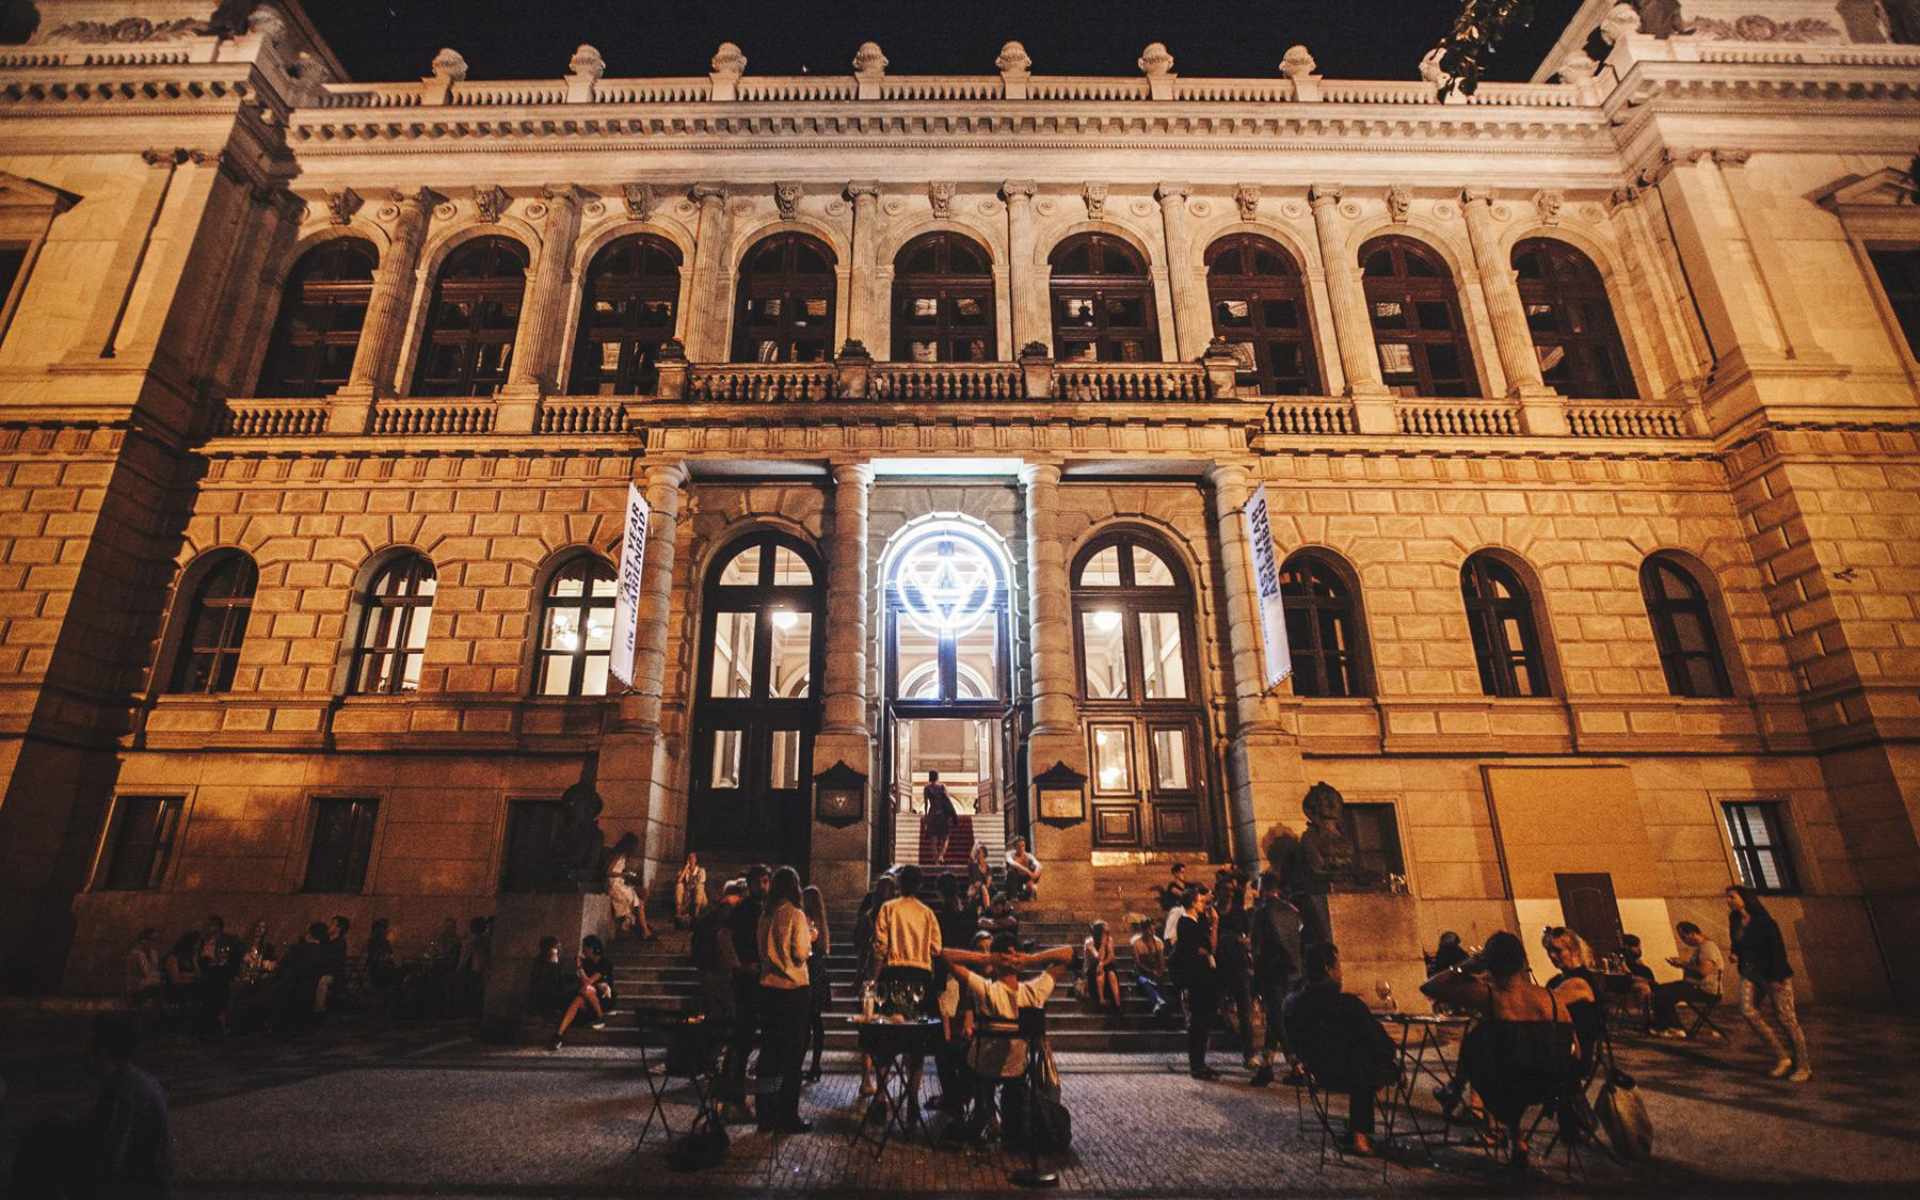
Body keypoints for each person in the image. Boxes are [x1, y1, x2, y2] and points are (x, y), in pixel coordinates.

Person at [1421, 931, 1582, 1167]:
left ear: (1489, 963)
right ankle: (1516, 1140)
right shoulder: (1552, 998)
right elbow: (1576, 1051)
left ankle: (1470, 1102)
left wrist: (1467, 965)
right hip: (1551, 1085)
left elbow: (1430, 986)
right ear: (1522, 962)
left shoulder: (1491, 996)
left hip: (1506, 1086)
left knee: (1481, 1040)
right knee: (1501, 1051)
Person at [9, 1014, 174, 1198]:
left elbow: (110, 1159)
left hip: (141, 1189)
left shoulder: (124, 1091)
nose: (84, 1053)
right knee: (47, 1132)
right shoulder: (132, 1079)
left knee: (39, 1150)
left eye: (89, 1047)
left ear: (102, 1052)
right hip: (143, 1181)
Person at [939, 935, 1077, 1144]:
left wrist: (987, 959)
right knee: (999, 1063)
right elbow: (1068, 954)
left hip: (983, 1068)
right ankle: (1002, 1116)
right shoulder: (1033, 991)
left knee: (958, 1054)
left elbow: (945, 955)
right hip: (1016, 1069)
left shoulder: (986, 989)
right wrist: (1031, 959)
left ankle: (979, 1113)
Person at [1282, 943, 1399, 1156]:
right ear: (1328, 969)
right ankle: (1360, 1136)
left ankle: (1357, 1132)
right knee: (1367, 1062)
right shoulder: (1348, 1004)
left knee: (1361, 1060)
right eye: (1338, 966)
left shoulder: (1295, 1005)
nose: (1341, 972)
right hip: (1352, 1073)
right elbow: (1378, 1041)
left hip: (1318, 1072)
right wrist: (1391, 1053)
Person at [871, 863, 943, 1108]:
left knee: (886, 1040)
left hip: (894, 974)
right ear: (920, 885)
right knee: (917, 1042)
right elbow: (937, 948)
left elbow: (880, 948)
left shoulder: (888, 908)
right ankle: (912, 1098)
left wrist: (874, 979)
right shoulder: (927, 913)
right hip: (921, 977)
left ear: (900, 884)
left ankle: (881, 1097)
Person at [1727, 885, 1811, 1081]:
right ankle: (1782, 1057)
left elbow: (1777, 950)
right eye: (1728, 897)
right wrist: (1735, 953)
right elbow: (1736, 943)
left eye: (1732, 897)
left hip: (1773, 974)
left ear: (1744, 898)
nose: (1728, 901)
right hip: (1750, 973)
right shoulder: (1735, 919)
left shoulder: (1764, 922)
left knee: (1786, 1019)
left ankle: (1803, 1066)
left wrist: (1776, 978)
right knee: (1747, 1010)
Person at [756, 866, 814, 1134]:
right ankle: (787, 1114)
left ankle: (765, 1112)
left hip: (767, 988)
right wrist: (811, 940)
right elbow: (800, 953)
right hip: (793, 989)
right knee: (793, 1054)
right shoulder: (795, 914)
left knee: (769, 1051)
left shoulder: (765, 915)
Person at [1249, 875, 1304, 1086]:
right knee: (1275, 1018)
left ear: (1262, 888)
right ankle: (1266, 1067)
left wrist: (1256, 977)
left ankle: (1296, 1064)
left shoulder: (1261, 913)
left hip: (1271, 972)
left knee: (1276, 1016)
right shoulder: (1292, 910)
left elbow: (1257, 948)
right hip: (1292, 971)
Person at [1173, 883, 1220, 1079]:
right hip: (1196, 979)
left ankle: (1201, 1063)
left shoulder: (1196, 921)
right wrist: (1214, 926)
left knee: (1204, 1022)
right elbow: (1205, 948)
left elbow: (1208, 948)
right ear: (1192, 903)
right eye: (1200, 901)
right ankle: (1197, 1065)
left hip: (1204, 977)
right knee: (1198, 1023)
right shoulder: (1186, 923)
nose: (1203, 904)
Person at [1652, 920, 1725, 1036]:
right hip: (1697, 987)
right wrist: (1681, 964)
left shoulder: (1707, 948)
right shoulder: (1702, 947)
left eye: (1684, 937)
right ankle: (1669, 1025)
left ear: (1693, 933)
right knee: (1660, 990)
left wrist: (1682, 964)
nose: (1683, 941)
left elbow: (1703, 971)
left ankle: (1674, 1027)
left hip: (1706, 991)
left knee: (1663, 993)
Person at [1217, 875, 1258, 1068]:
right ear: (1218, 891)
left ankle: (1249, 1053)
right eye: (1225, 890)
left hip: (1239, 964)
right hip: (1218, 965)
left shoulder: (1239, 912)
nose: (1229, 893)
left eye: (1231, 890)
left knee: (1245, 1011)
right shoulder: (1212, 911)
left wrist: (1244, 941)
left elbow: (1249, 936)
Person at [551, 935, 615, 1050]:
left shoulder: (605, 963)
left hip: (603, 999)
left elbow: (588, 982)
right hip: (587, 997)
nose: (583, 950)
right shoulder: (587, 963)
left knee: (587, 989)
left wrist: (580, 967)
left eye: (585, 947)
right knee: (578, 1000)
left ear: (592, 948)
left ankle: (601, 1017)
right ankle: (559, 1034)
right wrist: (581, 968)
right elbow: (583, 983)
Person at [801, 884, 832, 1083]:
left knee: (806, 1022)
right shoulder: (822, 922)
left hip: (810, 973)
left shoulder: (806, 920)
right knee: (816, 1022)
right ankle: (816, 1065)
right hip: (820, 973)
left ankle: (803, 1063)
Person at [195, 914, 238, 1039]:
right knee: (215, 985)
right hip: (206, 971)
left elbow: (229, 958)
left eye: (210, 925)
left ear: (217, 927)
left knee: (218, 981)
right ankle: (218, 1020)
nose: (207, 928)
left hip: (220, 972)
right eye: (207, 925)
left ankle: (218, 1020)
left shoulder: (227, 940)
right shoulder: (203, 941)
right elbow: (198, 958)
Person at [606, 832, 653, 940]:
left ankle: (642, 926)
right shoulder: (618, 855)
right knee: (639, 903)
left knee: (643, 895)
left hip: (619, 883)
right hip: (614, 885)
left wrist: (626, 874)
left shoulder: (623, 856)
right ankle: (644, 930)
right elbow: (608, 872)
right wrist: (624, 874)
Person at [1128, 914, 1173, 1022]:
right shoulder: (1136, 943)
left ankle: (1159, 1006)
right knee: (1144, 981)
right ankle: (1158, 1001)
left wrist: (1159, 972)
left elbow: (1162, 961)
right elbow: (1138, 963)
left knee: (1160, 985)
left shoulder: (1158, 942)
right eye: (1149, 930)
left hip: (1156, 972)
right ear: (1143, 930)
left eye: (1153, 929)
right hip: (1142, 972)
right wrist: (1150, 972)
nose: (1152, 932)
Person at [1081, 920, 1124, 1016]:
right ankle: (1101, 999)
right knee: (1100, 971)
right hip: (1092, 968)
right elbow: (1098, 957)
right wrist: (1103, 944)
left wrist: (1102, 964)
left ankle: (1117, 1003)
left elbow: (1111, 956)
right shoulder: (1089, 941)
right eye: (1106, 931)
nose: (1108, 933)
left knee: (1111, 973)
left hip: (1105, 964)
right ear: (1099, 932)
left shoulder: (1109, 939)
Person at [530, 935, 575, 1019]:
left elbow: (561, 978)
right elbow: (543, 981)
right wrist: (553, 964)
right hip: (544, 995)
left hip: (555, 991)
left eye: (558, 947)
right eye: (556, 947)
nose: (558, 949)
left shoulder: (557, 960)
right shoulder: (540, 962)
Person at [126, 928, 165, 1023]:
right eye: (152, 939)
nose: (155, 943)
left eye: (156, 940)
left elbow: (154, 972)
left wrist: (157, 976)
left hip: (149, 985)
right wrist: (157, 976)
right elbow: (146, 973)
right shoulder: (136, 954)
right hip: (137, 989)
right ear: (143, 940)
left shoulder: (153, 953)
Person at [924, 769, 957, 867]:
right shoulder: (942, 786)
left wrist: (926, 817)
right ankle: (941, 856)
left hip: (932, 814)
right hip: (942, 815)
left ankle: (936, 862)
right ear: (937, 777)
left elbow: (926, 804)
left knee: (933, 840)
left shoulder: (926, 788)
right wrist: (952, 814)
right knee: (945, 838)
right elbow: (948, 801)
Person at [675, 852, 708, 928]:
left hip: (698, 897)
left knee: (700, 886)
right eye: (689, 858)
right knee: (679, 885)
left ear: (696, 860)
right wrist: (685, 868)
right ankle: (678, 913)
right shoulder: (684, 870)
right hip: (687, 895)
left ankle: (696, 914)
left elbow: (701, 882)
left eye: (693, 858)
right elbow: (679, 880)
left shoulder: (701, 870)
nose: (691, 860)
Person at [1004, 836, 1042, 901]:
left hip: (1025, 878)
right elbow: (1012, 863)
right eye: (1018, 846)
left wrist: (1034, 875)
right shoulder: (1009, 854)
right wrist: (1027, 870)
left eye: (1023, 846)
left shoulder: (1028, 855)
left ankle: (1030, 891)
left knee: (1034, 869)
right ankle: (1013, 897)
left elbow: (1038, 865)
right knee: (1011, 872)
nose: (1021, 848)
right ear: (1015, 847)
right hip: (1013, 880)